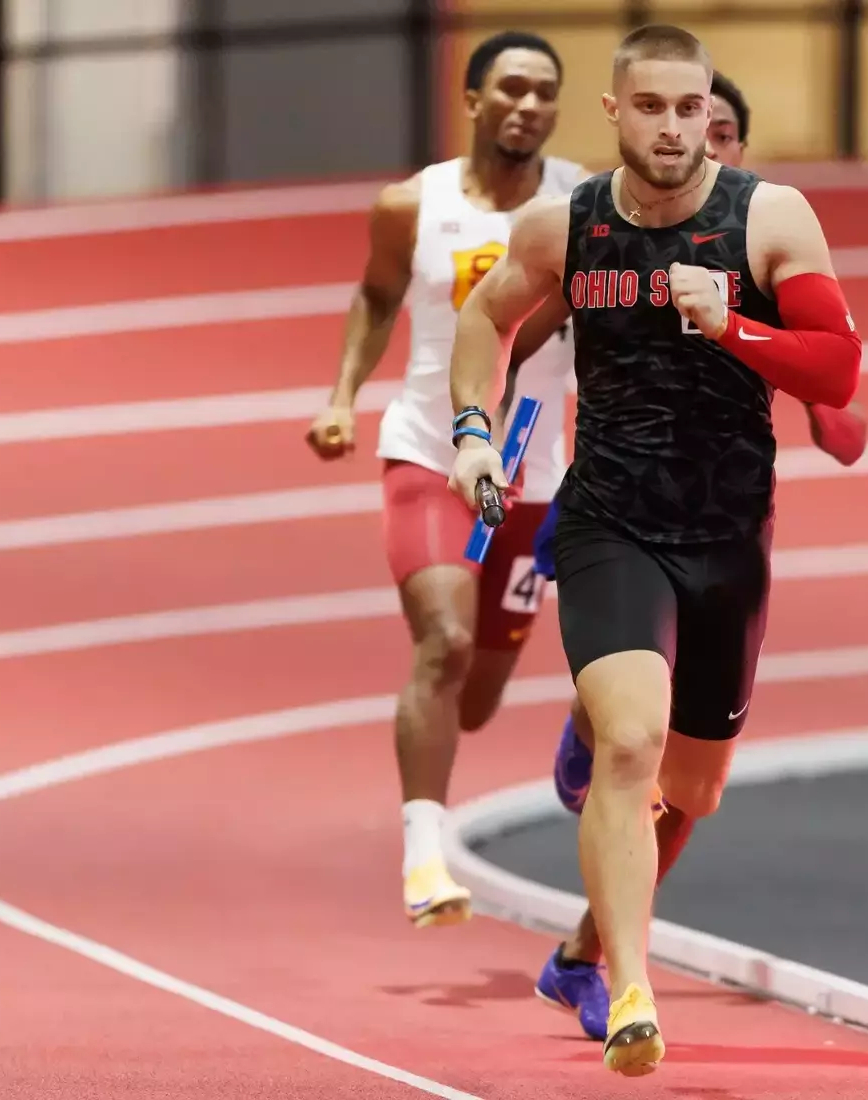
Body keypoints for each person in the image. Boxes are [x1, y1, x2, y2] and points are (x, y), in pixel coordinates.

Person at [445, 24, 862, 1076]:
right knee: (632, 744)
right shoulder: (568, 225)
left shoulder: (769, 217)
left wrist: (733, 328)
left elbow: (837, 370)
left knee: (695, 789)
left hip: (728, 536)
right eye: (652, 108)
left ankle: (584, 948)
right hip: (610, 522)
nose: (674, 128)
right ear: (615, 113)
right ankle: (630, 989)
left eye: (690, 109)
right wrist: (472, 431)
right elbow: (487, 319)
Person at [304, 30, 583, 930]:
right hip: (431, 455)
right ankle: (425, 857)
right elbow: (376, 295)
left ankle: (441, 764)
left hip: (533, 473)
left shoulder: (584, 204)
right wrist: (342, 397)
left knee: (480, 696)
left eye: (545, 91)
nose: (528, 105)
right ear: (471, 100)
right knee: (446, 645)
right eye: (511, 87)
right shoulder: (410, 205)